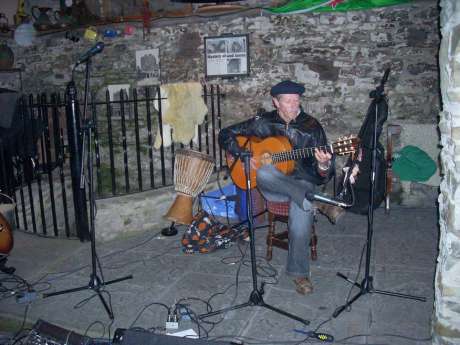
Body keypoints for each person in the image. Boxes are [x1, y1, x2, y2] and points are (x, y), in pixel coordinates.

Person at [218, 80, 342, 295]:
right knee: (265, 171)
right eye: (288, 101)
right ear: (276, 102)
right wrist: (243, 154)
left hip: (302, 183)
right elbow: (225, 134)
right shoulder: (263, 122)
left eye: (297, 100)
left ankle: (299, 274)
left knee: (301, 211)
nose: (294, 105)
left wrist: (323, 164)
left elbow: (325, 174)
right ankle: (318, 202)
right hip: (272, 186)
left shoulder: (311, 127)